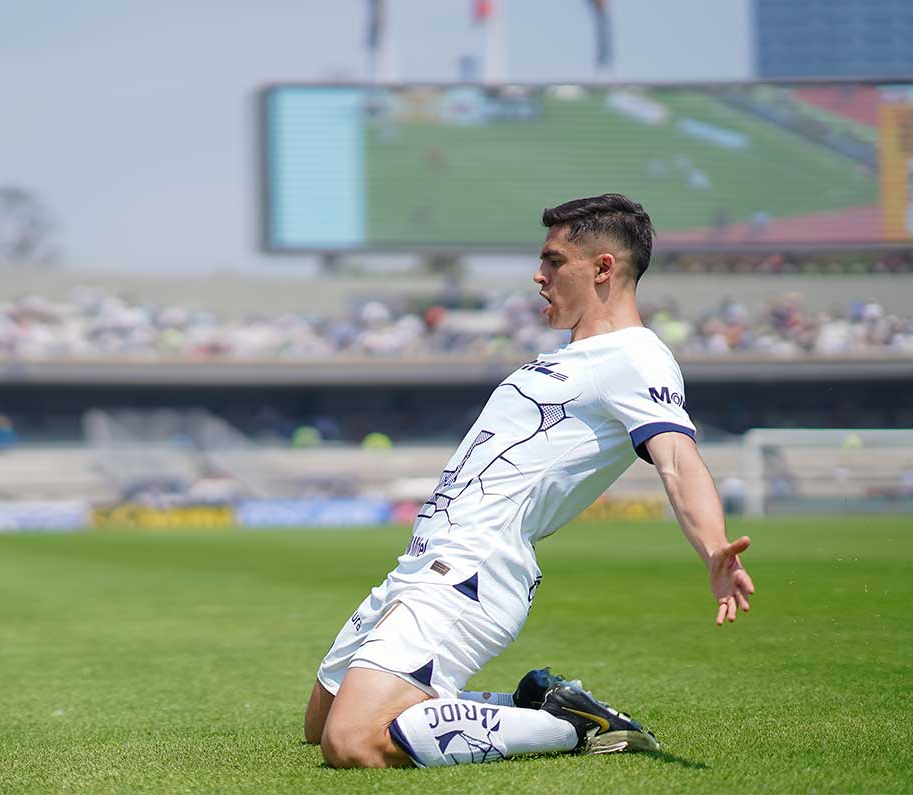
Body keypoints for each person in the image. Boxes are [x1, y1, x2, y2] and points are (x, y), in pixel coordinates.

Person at [304, 194, 756, 768]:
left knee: (353, 742)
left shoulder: (636, 358)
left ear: (603, 269)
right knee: (320, 725)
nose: (538, 276)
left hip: (472, 570)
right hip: (421, 563)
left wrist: (714, 546)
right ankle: (528, 702)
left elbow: (676, 459)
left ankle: (567, 725)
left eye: (554, 261)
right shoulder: (566, 357)